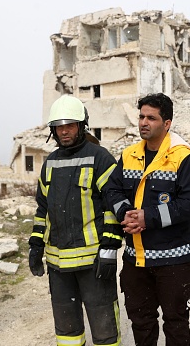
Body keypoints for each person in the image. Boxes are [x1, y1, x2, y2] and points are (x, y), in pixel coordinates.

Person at [105, 93, 190, 346]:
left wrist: (148, 218)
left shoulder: (184, 157)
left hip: (173, 262)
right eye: (141, 116)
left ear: (167, 123)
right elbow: (112, 189)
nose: (143, 122)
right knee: (141, 323)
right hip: (135, 261)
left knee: (176, 324)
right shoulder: (128, 155)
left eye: (151, 118)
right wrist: (124, 212)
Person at [28, 94, 122, 346]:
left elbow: (113, 207)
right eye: (59, 127)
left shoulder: (100, 158)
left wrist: (110, 249)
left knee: (105, 332)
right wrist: (36, 245)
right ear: (53, 130)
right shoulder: (49, 164)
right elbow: (42, 209)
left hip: (94, 264)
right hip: (59, 267)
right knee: (67, 334)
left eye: (70, 125)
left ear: (82, 126)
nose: (64, 131)